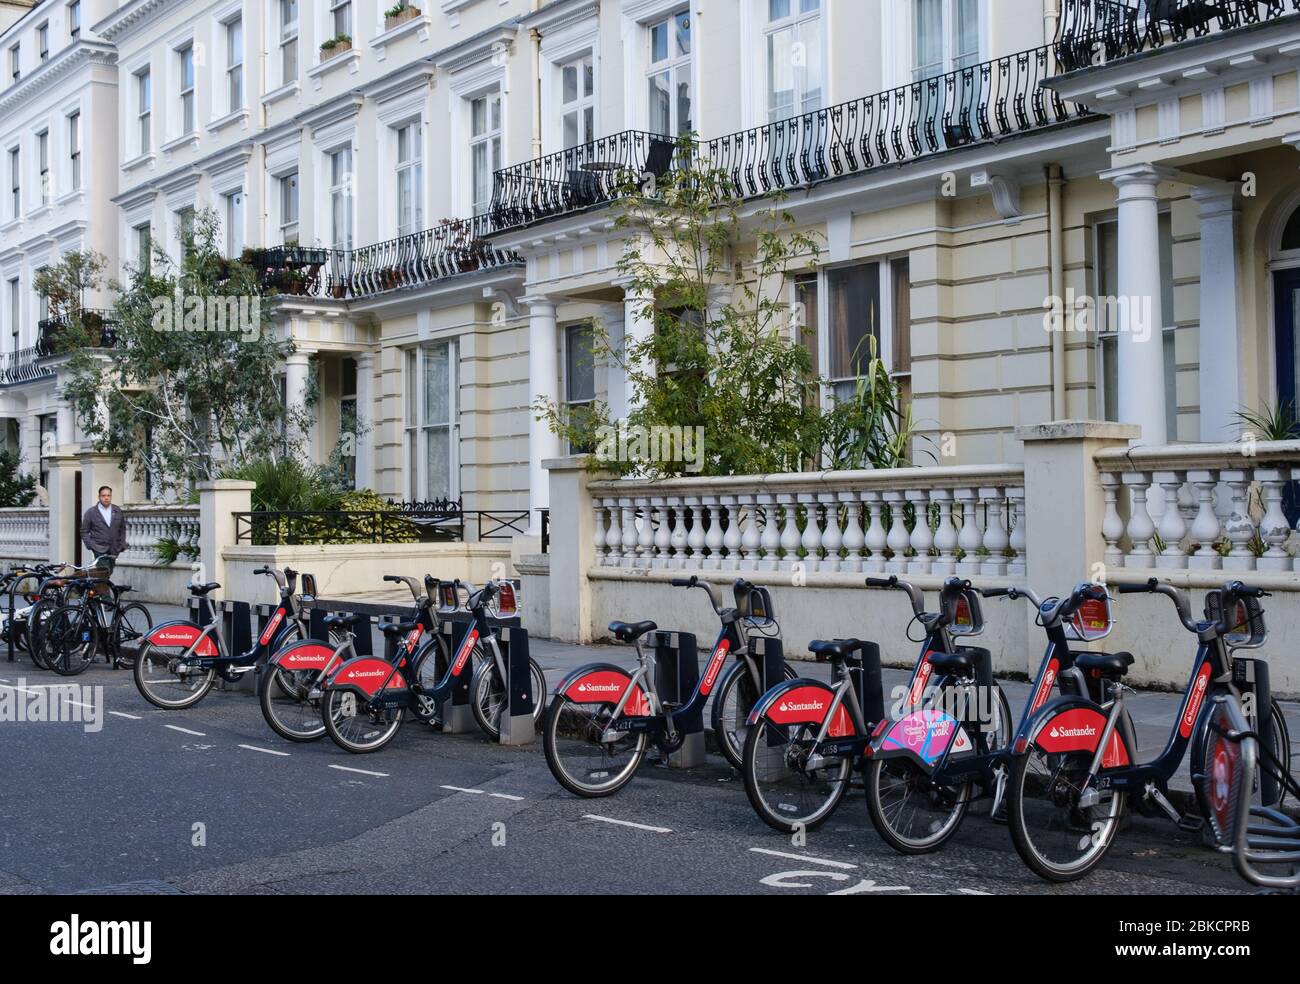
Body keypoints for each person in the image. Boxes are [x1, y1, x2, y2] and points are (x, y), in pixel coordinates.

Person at [80, 485, 127, 575]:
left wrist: (122, 544)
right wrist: (90, 545)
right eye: (103, 496)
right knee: (103, 571)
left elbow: (122, 529)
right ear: (99, 497)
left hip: (114, 548)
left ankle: (99, 588)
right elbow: (84, 531)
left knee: (109, 571)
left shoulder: (117, 510)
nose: (106, 498)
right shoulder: (91, 512)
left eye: (108, 496)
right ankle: (103, 588)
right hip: (99, 547)